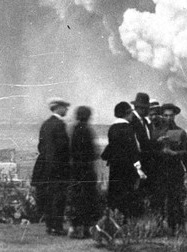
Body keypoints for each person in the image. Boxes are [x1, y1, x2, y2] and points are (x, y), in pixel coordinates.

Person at [31, 97, 71, 236]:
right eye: (64, 107)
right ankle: (57, 227)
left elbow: (41, 146)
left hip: (45, 167)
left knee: (49, 198)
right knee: (59, 198)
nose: (66, 109)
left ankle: (50, 226)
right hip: (58, 168)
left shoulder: (46, 124)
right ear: (58, 107)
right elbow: (62, 148)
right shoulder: (59, 125)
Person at [101, 101, 147, 219]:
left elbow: (111, 147)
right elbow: (132, 149)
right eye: (131, 112)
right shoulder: (128, 128)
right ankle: (126, 221)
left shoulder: (112, 128)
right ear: (127, 113)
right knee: (127, 194)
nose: (132, 114)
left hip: (115, 166)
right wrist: (139, 168)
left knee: (115, 193)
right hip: (127, 167)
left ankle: (114, 219)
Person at [154, 103, 187, 231]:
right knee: (159, 200)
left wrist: (175, 153)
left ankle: (176, 227)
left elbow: (186, 152)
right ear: (162, 116)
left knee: (176, 200)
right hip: (160, 170)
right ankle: (158, 227)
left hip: (175, 170)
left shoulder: (181, 132)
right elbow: (150, 153)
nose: (169, 118)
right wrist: (158, 146)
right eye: (166, 115)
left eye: (171, 115)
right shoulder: (156, 132)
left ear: (175, 116)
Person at [67, 105, 100, 238]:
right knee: (88, 199)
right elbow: (92, 152)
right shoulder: (87, 130)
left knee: (77, 199)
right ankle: (85, 229)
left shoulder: (73, 130)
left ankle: (74, 227)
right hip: (86, 169)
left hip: (75, 169)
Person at [130, 92, 158, 209]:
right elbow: (132, 145)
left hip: (147, 164)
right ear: (141, 108)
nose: (148, 111)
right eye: (147, 108)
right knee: (135, 193)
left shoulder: (145, 122)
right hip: (137, 164)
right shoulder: (131, 121)